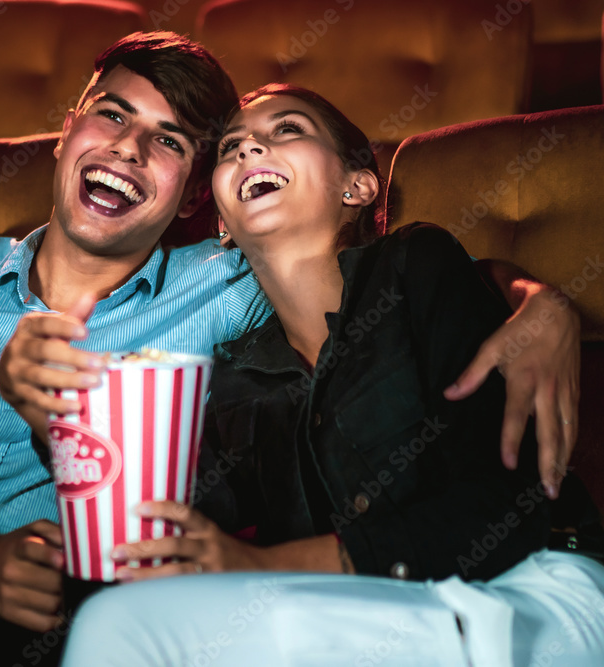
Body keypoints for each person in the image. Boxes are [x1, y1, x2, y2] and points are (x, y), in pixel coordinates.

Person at [0, 31, 580, 666]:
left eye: (171, 142)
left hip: (73, 604)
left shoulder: (233, 282)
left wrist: (538, 301)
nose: (130, 149)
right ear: (66, 134)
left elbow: (383, 275)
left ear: (189, 199)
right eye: (113, 115)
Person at [46, 84, 604, 666]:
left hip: (532, 587)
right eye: (231, 147)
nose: (248, 150)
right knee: (119, 619)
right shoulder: (235, 378)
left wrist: (263, 566)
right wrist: (57, 408)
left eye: (286, 130)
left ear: (357, 186)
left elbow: (503, 503)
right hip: (359, 612)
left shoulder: (417, 264)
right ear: (224, 226)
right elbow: (162, 535)